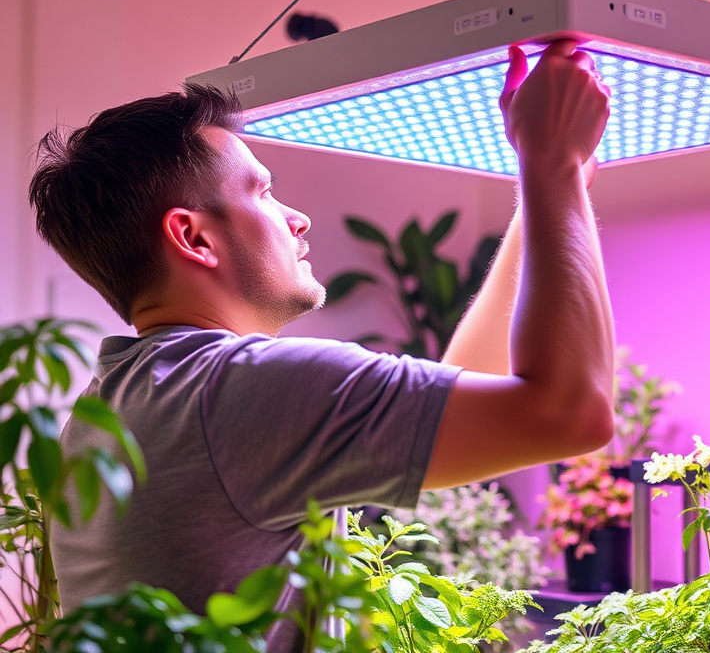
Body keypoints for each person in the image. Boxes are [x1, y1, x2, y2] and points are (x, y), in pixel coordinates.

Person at [29, 39, 615, 651]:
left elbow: (465, 391)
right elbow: (569, 414)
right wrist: (552, 163)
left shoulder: (117, 404)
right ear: (193, 238)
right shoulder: (242, 388)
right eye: (260, 192)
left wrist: (546, 188)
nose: (297, 217)